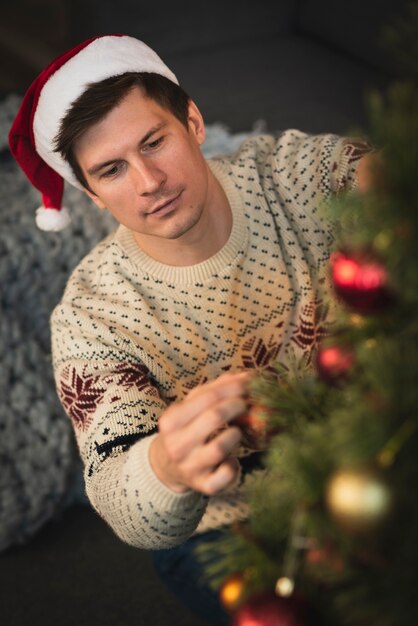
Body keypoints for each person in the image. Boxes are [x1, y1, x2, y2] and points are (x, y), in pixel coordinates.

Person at [9, 34, 375, 625]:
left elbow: (370, 172)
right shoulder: (92, 316)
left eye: (154, 142)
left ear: (194, 123)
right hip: (225, 523)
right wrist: (166, 468)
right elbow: (120, 495)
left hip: (365, 447)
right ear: (92, 195)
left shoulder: (287, 177)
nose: (149, 180)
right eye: (112, 170)